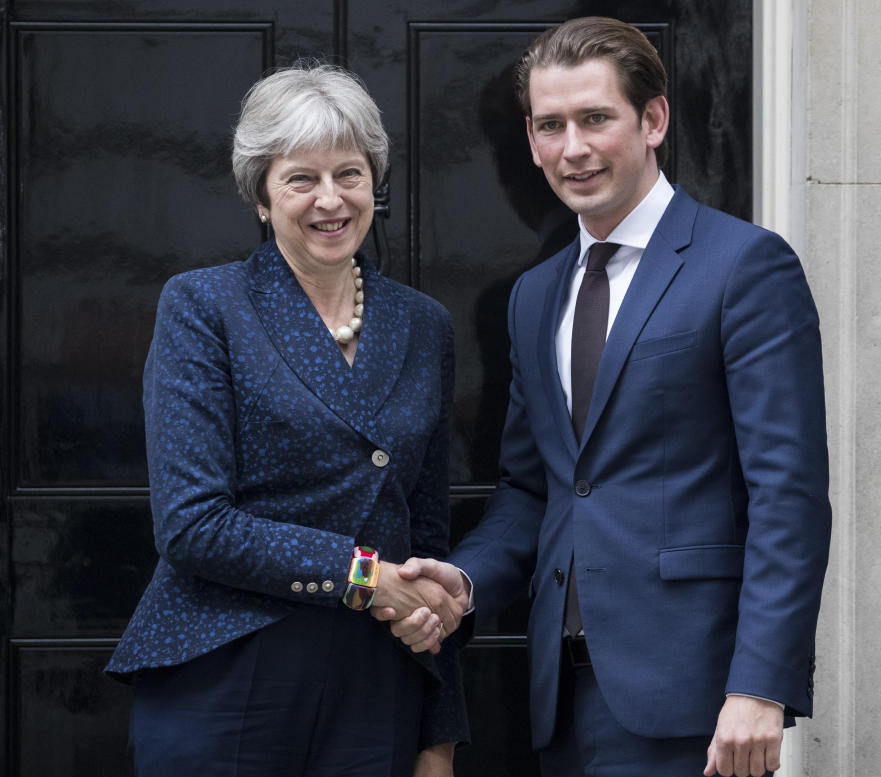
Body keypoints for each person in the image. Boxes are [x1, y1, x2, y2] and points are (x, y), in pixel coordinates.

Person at [380, 16, 831, 777]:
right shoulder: (534, 296)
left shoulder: (746, 266)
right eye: (551, 125)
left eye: (595, 118)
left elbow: (788, 495)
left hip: (699, 700)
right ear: (530, 139)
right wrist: (466, 582)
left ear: (652, 120)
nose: (573, 148)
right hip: (561, 697)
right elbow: (535, 489)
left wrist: (760, 683)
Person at [105, 61, 469, 777]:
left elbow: (425, 541)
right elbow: (192, 522)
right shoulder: (205, 306)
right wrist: (362, 574)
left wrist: (440, 733)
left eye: (350, 174)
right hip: (228, 672)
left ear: (374, 183)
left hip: (376, 685)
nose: (330, 199)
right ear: (263, 198)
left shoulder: (423, 324)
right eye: (301, 178)